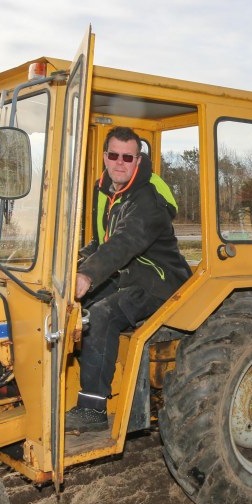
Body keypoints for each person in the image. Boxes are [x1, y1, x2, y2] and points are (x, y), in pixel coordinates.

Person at [65, 127, 192, 432]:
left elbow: (126, 241)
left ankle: (92, 408)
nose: (119, 162)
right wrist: (71, 267)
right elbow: (102, 243)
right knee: (72, 307)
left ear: (137, 160)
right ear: (105, 157)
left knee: (101, 314)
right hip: (130, 273)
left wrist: (89, 275)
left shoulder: (147, 198)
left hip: (160, 280)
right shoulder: (108, 192)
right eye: (114, 155)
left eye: (127, 157)